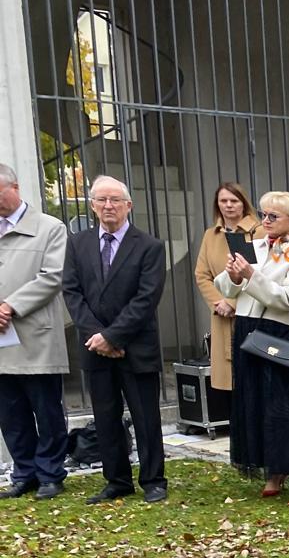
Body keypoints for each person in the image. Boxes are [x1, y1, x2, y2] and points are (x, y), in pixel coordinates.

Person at [61, 175, 168, 504]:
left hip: (136, 347)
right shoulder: (77, 244)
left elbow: (146, 298)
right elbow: (72, 292)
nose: (108, 206)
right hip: (95, 348)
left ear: (128, 205)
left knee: (146, 418)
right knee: (106, 418)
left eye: (115, 200)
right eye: (101, 200)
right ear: (92, 205)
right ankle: (117, 480)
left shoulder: (149, 246)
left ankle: (153, 480)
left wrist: (112, 336)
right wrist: (97, 336)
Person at [218, 191, 289, 506]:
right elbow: (224, 286)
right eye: (263, 214)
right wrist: (234, 276)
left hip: (280, 332)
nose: (265, 221)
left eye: (273, 216)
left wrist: (251, 276)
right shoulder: (254, 247)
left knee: (285, 405)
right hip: (248, 328)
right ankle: (274, 469)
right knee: (254, 402)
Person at [0, 162, 70, 500]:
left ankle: (50, 474)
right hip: (2, 340)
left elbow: (53, 276)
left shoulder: (49, 228)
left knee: (46, 410)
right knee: (10, 414)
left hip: (36, 336)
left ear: (14, 188)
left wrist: (10, 306)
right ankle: (24, 472)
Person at [192, 181, 258, 393]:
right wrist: (219, 302)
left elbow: (260, 274)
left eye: (234, 201)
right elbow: (202, 274)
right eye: (223, 201)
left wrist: (232, 302)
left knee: (253, 380)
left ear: (243, 203)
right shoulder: (210, 235)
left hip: (251, 312)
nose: (228, 205)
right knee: (229, 385)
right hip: (222, 316)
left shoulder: (259, 232)